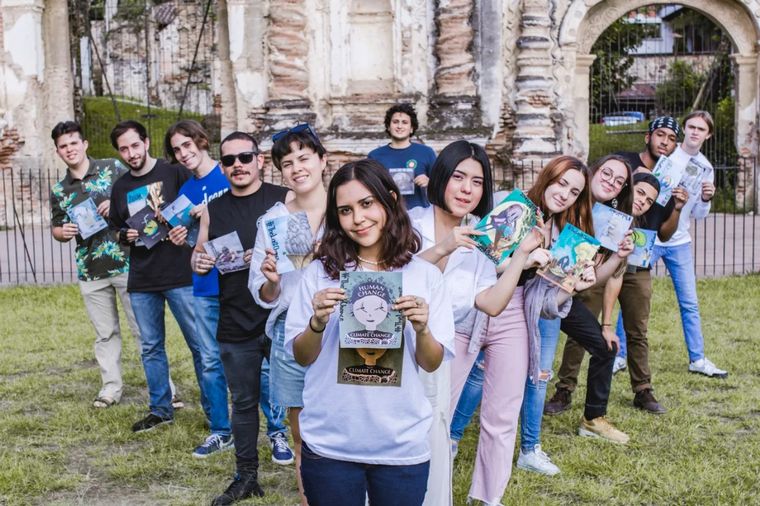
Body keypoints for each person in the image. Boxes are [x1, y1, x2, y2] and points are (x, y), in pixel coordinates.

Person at [284, 159, 455, 506]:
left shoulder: (424, 275)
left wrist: (422, 329)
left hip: (400, 442)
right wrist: (316, 322)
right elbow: (302, 356)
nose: (358, 219)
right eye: (345, 210)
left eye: (366, 204)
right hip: (331, 441)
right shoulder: (320, 274)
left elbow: (432, 362)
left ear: (390, 199)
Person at [411, 140, 543, 505]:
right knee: (412, 432)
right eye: (458, 177)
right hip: (403, 349)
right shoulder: (409, 224)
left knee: (436, 431)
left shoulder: (481, 240)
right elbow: (401, 278)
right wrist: (444, 247)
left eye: (477, 181)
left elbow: (490, 302)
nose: (467, 189)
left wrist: (520, 255)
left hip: (440, 350)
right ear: (441, 178)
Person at [516, 156, 634, 477]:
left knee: (593, 351)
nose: (610, 181)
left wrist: (619, 255)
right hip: (526, 289)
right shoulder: (561, 203)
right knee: (491, 367)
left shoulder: (611, 222)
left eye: (618, 181)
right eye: (605, 173)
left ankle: (589, 419)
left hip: (559, 296)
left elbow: (594, 276)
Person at [193, 131, 291, 505]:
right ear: (222, 166)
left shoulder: (283, 200)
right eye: (230, 160)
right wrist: (199, 260)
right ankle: (246, 476)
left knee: (302, 399)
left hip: (282, 315)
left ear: (260, 160)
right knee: (245, 401)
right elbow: (199, 255)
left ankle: (312, 471)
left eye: (245, 157)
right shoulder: (214, 207)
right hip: (235, 317)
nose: (238, 165)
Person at [249, 123, 328, 506]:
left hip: (343, 331)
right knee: (303, 436)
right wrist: (271, 281)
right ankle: (307, 498)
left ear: (322, 161)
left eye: (304, 158)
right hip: (290, 334)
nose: (297, 168)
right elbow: (264, 294)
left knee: (346, 426)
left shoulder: (349, 209)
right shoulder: (273, 221)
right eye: (287, 163)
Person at [109, 121, 203, 437]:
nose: (131, 153)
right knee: (151, 347)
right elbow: (116, 229)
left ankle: (213, 409)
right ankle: (160, 410)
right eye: (123, 149)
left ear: (146, 142)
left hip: (180, 274)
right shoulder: (120, 186)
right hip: (142, 278)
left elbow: (198, 211)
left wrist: (184, 226)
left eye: (135, 145)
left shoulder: (174, 172)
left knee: (199, 345)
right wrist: (125, 233)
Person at [49, 120, 139, 408]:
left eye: (74, 143)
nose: (69, 149)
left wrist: (117, 207)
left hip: (127, 262)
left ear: (85, 144)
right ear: (58, 152)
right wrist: (62, 233)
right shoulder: (60, 190)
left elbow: (139, 200)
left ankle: (166, 388)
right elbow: (56, 227)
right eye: (63, 146)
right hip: (91, 269)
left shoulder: (113, 168)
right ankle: (111, 388)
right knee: (105, 333)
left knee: (143, 329)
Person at [163, 120, 233, 458]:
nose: (184, 154)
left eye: (187, 145)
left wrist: (211, 211)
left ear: (201, 142)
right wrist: (181, 236)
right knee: (208, 359)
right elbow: (189, 241)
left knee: (259, 360)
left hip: (240, 281)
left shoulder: (230, 173)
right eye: (177, 150)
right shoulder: (185, 193)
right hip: (205, 283)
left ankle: (277, 429)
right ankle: (221, 429)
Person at [652, 110, 726, 378]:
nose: (695, 132)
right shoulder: (666, 155)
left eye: (701, 129)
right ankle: (622, 355)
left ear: (708, 135)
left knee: (690, 303)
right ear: (684, 129)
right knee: (633, 296)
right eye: (691, 127)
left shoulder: (706, 168)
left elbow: (698, 215)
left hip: (680, 241)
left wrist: (706, 199)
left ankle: (697, 358)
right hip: (652, 236)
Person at [368, 103, 436, 210]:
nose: (399, 126)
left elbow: (442, 186)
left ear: (411, 128)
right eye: (395, 122)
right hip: (387, 214)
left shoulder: (426, 152)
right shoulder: (375, 156)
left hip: (420, 215)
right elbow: (368, 189)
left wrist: (429, 182)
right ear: (388, 127)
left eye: (404, 122)